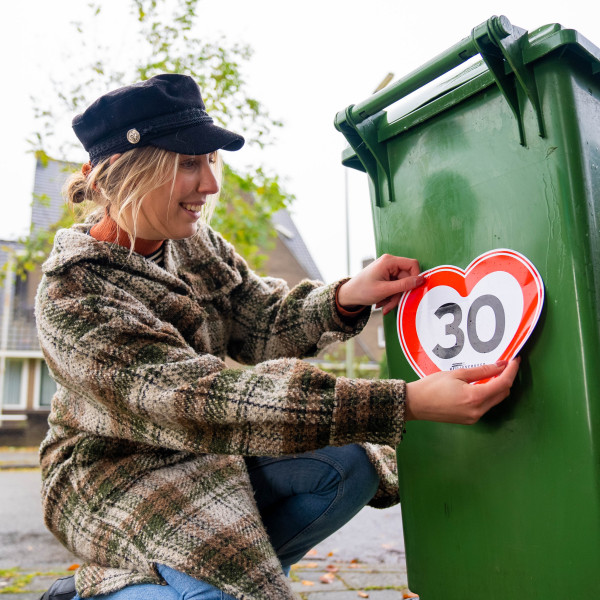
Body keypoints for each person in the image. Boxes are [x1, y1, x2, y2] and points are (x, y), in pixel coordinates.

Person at [36, 74, 519, 600]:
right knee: (223, 584)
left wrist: (346, 296)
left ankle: (217, 575)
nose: (211, 186)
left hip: (202, 451)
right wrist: (404, 401)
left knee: (349, 463)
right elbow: (201, 399)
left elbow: (261, 320)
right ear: (117, 177)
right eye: (187, 164)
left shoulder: (192, 245)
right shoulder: (73, 295)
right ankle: (113, 589)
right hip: (113, 476)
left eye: (210, 162)